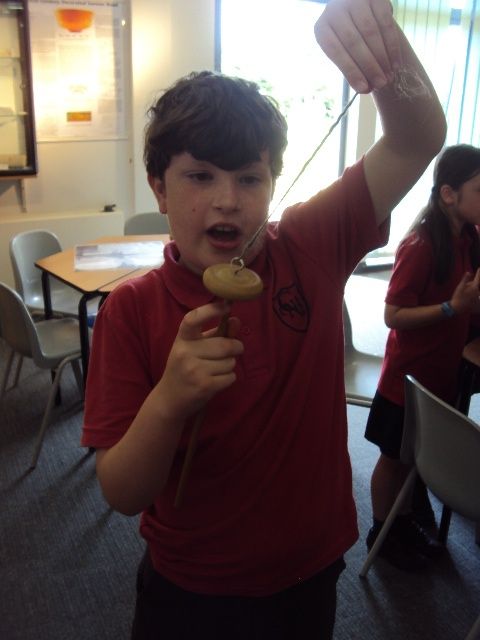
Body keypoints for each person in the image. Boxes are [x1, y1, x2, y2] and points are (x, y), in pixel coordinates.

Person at [82, 1, 446, 637]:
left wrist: (382, 44)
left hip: (308, 572)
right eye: (199, 176)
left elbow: (417, 138)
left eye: (249, 179)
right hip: (191, 585)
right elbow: (122, 492)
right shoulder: (131, 310)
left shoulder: (307, 244)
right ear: (159, 188)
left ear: (274, 183)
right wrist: (170, 400)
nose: (227, 199)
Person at [365, 143, 480, 572]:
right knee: (393, 460)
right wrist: (451, 308)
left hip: (439, 374)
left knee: (413, 457)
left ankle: (402, 521)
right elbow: (393, 315)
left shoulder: (467, 237)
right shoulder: (421, 244)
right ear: (449, 194)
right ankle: (381, 531)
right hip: (405, 380)